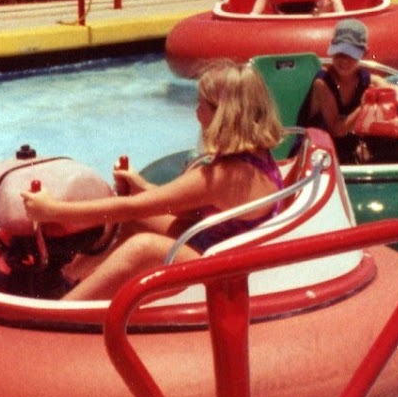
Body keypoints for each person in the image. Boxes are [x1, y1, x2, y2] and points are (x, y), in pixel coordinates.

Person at [21, 62, 286, 300]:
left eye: (201, 104)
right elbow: (184, 204)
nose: (196, 112)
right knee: (134, 218)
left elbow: (133, 207)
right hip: (224, 248)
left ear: (222, 115)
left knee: (142, 246)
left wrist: (52, 210)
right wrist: (143, 187)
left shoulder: (222, 176)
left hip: (218, 266)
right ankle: (74, 278)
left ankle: (67, 308)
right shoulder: (256, 159)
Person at [298, 18, 392, 164]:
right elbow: (337, 129)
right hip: (315, 154)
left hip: (345, 150)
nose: (344, 60)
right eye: (339, 54)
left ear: (365, 53)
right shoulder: (322, 84)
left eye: (351, 55)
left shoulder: (369, 80)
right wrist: (364, 106)